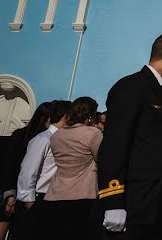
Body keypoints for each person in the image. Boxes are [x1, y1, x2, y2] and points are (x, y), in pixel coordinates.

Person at [97, 31, 162, 239]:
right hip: (134, 201)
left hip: (160, 205)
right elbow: (115, 146)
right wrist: (113, 201)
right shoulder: (131, 87)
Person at [0, 101, 51, 240]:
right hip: (12, 192)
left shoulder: (42, 138)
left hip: (20, 193)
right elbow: (9, 165)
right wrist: (10, 195)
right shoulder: (30, 138)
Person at [43, 96, 103, 240]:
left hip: (54, 194)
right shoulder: (93, 134)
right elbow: (103, 161)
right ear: (90, 116)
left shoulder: (57, 135)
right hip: (82, 196)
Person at [16, 99, 71, 236]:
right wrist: (30, 203)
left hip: (55, 200)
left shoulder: (63, 139)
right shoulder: (43, 139)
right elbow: (28, 171)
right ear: (66, 117)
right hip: (39, 199)